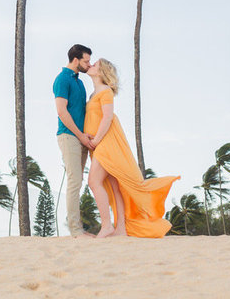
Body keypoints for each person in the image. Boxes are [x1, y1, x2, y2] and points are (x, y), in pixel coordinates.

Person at [84, 58, 179, 238]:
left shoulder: (105, 92)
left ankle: (106, 226)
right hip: (99, 144)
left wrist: (95, 140)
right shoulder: (94, 94)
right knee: (114, 186)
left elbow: (107, 118)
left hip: (106, 143)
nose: (90, 65)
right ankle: (120, 229)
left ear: (102, 72)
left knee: (94, 182)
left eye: (95, 64)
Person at [53, 43, 93, 237]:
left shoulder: (79, 81)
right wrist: (80, 135)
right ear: (76, 60)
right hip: (69, 136)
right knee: (74, 180)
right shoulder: (62, 80)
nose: (89, 64)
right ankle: (76, 231)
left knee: (78, 180)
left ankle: (79, 229)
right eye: (86, 61)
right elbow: (61, 111)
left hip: (81, 137)